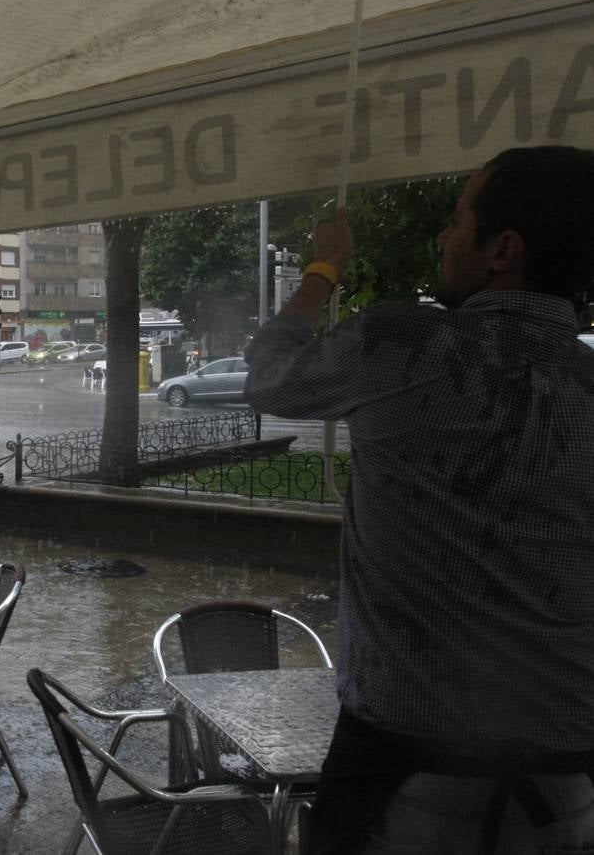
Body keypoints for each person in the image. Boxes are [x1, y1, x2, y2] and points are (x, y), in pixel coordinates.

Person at [244, 146, 594, 853]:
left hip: (399, 762)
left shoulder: (400, 344)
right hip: (573, 783)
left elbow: (270, 378)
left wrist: (324, 269)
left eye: (458, 222)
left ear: (503, 249)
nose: (444, 236)